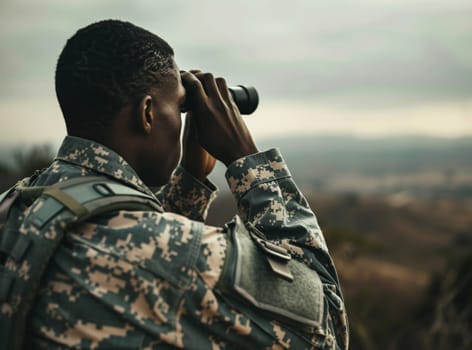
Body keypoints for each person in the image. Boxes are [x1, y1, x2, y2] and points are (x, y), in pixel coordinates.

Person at [15, 19, 348, 349]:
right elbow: (325, 325)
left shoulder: (17, 206)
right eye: (178, 107)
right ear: (147, 114)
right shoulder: (168, 254)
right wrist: (245, 158)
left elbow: (158, 272)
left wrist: (190, 180)